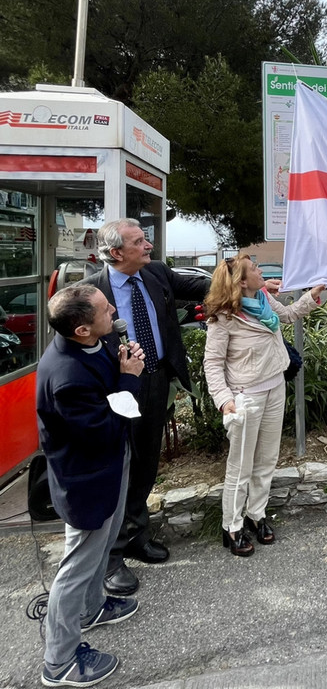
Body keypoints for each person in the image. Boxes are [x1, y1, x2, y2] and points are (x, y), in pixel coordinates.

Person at [83, 219, 210, 596]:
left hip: (154, 380)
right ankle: (111, 558)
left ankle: (138, 536)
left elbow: (202, 285)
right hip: (115, 390)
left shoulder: (155, 273)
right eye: (140, 241)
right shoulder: (90, 292)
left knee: (145, 465)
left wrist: (246, 282)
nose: (149, 246)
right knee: (117, 469)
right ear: (117, 253)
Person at [37, 285, 145, 686]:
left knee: (104, 539)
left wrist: (121, 366)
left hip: (110, 465)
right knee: (76, 567)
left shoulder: (91, 342)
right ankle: (59, 660)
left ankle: (92, 608)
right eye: (104, 309)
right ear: (81, 329)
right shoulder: (67, 378)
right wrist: (130, 379)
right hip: (88, 479)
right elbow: (101, 429)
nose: (113, 310)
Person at [203, 256, 323, 556]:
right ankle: (232, 525)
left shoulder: (265, 299)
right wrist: (224, 401)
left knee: (267, 459)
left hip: (274, 387)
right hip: (245, 399)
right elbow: (213, 363)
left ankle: (256, 514)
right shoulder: (223, 318)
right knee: (240, 466)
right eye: (255, 269)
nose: (261, 272)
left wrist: (313, 294)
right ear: (242, 281)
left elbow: (289, 314)